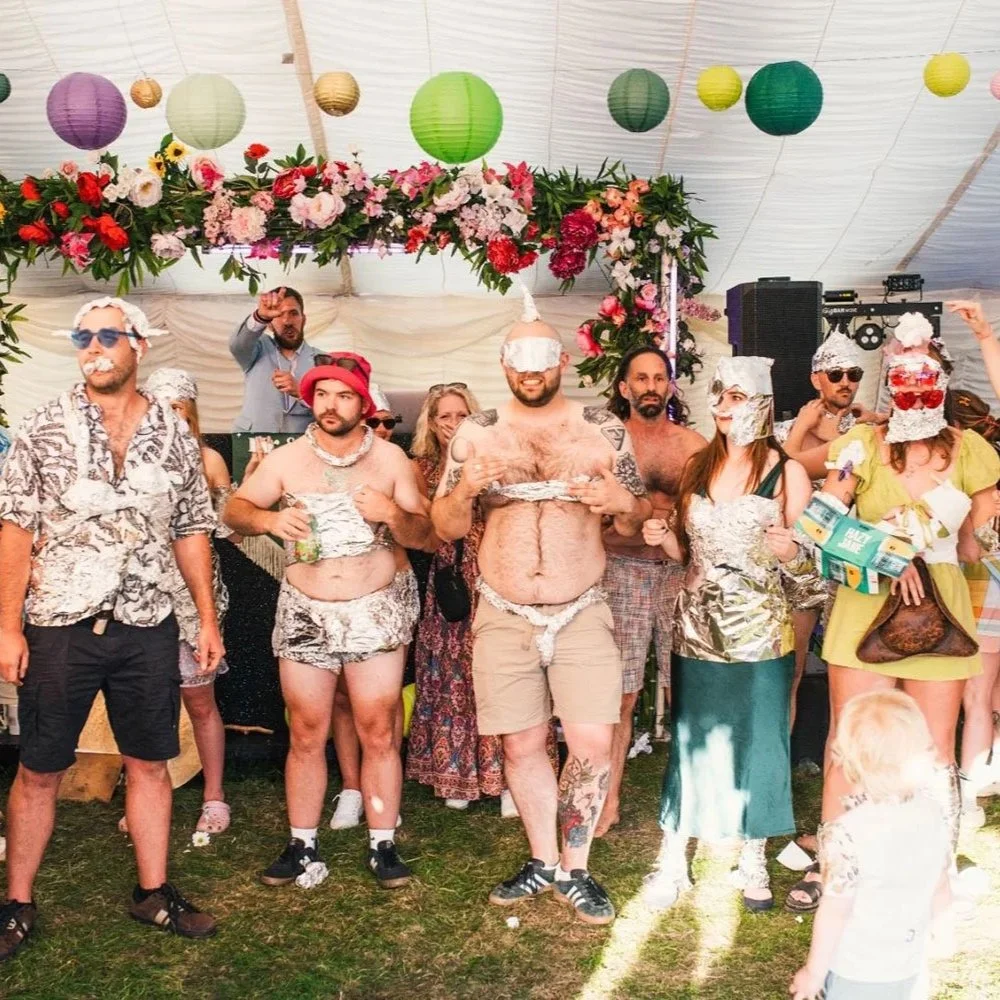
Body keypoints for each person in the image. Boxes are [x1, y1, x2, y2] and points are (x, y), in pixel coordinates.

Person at [0, 297, 223, 958]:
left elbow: (191, 531)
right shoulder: (43, 426)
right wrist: (7, 628)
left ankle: (151, 892)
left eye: (107, 334)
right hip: (60, 625)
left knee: (149, 762)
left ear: (138, 346)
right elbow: (14, 532)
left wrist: (204, 618)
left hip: (149, 624)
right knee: (40, 767)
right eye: (82, 335)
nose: (93, 345)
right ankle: (16, 902)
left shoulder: (173, 435)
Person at [431, 291, 650, 925]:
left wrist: (616, 497)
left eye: (543, 362)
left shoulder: (601, 430)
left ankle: (576, 869)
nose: (532, 374)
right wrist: (466, 489)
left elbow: (634, 519)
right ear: (504, 365)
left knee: (590, 741)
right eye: (519, 363)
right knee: (521, 743)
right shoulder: (477, 433)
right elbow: (445, 525)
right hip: (503, 610)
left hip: (581, 607)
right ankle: (542, 859)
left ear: (561, 362)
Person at [793, 313, 1000, 915]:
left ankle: (932, 877)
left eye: (924, 380)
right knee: (847, 744)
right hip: (866, 605)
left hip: (944, 609)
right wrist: (884, 551)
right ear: (889, 385)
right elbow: (816, 524)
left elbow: (973, 545)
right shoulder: (860, 445)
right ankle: (837, 870)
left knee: (933, 752)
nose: (913, 393)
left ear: (939, 383)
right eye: (902, 381)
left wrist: (958, 537)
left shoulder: (971, 451)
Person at [224, 351, 432, 889]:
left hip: (375, 608)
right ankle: (302, 842)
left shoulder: (390, 462)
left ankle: (383, 843)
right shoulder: (288, 459)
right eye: (321, 394)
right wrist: (270, 518)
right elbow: (235, 511)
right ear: (310, 400)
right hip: (305, 611)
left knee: (379, 729)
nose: (331, 404)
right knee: (307, 730)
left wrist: (392, 515)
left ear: (362, 402)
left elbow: (428, 535)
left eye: (343, 394)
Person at [641, 356, 814, 912]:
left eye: (734, 396)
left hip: (761, 634)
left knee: (761, 741)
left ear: (761, 402)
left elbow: (814, 573)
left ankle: (753, 855)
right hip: (696, 630)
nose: (721, 406)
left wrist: (795, 553)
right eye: (718, 395)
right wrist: (660, 537)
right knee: (692, 740)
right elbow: (684, 553)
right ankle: (672, 854)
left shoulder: (787, 474)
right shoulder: (697, 467)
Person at [597, 346, 705, 837]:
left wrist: (660, 524)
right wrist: (641, 520)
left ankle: (690, 799)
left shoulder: (693, 446)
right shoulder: (604, 444)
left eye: (659, 378)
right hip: (621, 570)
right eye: (640, 378)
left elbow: (702, 519)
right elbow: (596, 519)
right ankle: (608, 799)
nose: (650, 386)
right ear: (624, 388)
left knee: (686, 689)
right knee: (619, 695)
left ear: (670, 387)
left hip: (680, 574)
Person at [789, 690, 950, 1000]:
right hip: (912, 961)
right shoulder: (932, 812)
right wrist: (945, 932)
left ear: (848, 760)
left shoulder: (845, 834)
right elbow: (940, 880)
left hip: (858, 970)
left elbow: (835, 910)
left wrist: (813, 973)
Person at [407, 382, 520, 814]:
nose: (452, 424)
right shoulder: (421, 469)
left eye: (460, 415)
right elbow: (427, 532)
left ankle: (509, 777)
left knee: (505, 676)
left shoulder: (494, 459)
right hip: (452, 580)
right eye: (444, 417)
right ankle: (455, 772)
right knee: (452, 677)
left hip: (496, 572)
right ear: (431, 425)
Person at [145, 368, 242, 836]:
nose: (169, 416)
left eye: (178, 408)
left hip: (194, 594)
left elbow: (229, 529)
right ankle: (147, 794)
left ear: (191, 412)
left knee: (200, 701)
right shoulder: (132, 460)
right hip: (142, 594)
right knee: (146, 702)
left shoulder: (209, 460)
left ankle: (214, 796)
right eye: (161, 407)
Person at [775, 331, 881, 730]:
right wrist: (802, 427)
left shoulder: (866, 431)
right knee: (793, 665)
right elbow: (777, 475)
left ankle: (848, 752)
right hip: (800, 565)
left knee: (854, 663)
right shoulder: (786, 429)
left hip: (848, 564)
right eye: (836, 373)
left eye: (853, 373)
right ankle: (780, 758)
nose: (846, 382)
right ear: (816, 378)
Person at [328, 381, 406, 830]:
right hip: (339, 592)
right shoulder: (325, 462)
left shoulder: (399, 465)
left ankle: (384, 793)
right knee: (340, 696)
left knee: (384, 700)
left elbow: (425, 532)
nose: (381, 428)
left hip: (396, 586)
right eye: (374, 420)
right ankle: (352, 789)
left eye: (389, 422)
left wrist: (390, 510)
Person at [948, 389, 1000, 826]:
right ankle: (976, 784)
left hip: (980, 586)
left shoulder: (963, 471)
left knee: (974, 697)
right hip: (984, 586)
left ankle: (966, 796)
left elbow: (974, 546)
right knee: (984, 696)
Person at [229, 286, 321, 433]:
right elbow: (238, 345)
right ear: (270, 324)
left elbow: (330, 407)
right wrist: (260, 316)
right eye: (279, 315)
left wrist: (301, 392)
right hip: (253, 443)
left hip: (301, 445)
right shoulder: (257, 349)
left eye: (293, 313)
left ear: (303, 320)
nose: (287, 321)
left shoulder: (322, 361)